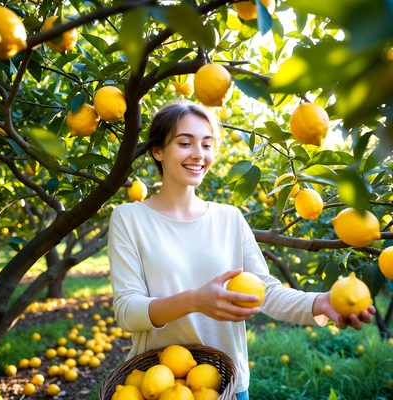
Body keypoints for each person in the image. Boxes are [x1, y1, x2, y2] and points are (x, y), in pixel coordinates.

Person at [108, 100, 375, 400]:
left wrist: (320, 302)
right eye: (185, 143)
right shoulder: (129, 219)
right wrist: (195, 301)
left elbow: (265, 292)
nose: (199, 154)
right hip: (154, 387)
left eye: (207, 145)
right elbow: (128, 311)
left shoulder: (230, 218)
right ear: (157, 151)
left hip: (227, 387)